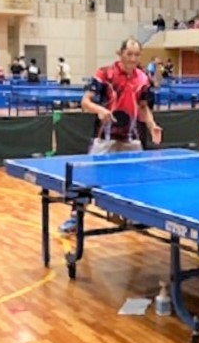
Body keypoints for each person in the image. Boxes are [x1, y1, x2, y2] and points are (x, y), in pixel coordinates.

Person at [58, 38, 163, 233]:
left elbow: (143, 107)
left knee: (137, 178)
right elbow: (85, 102)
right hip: (105, 137)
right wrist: (100, 110)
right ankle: (75, 218)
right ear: (120, 53)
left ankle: (133, 215)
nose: (133, 59)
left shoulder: (143, 79)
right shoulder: (105, 74)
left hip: (131, 137)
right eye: (129, 54)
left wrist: (152, 125)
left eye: (136, 55)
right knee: (86, 179)